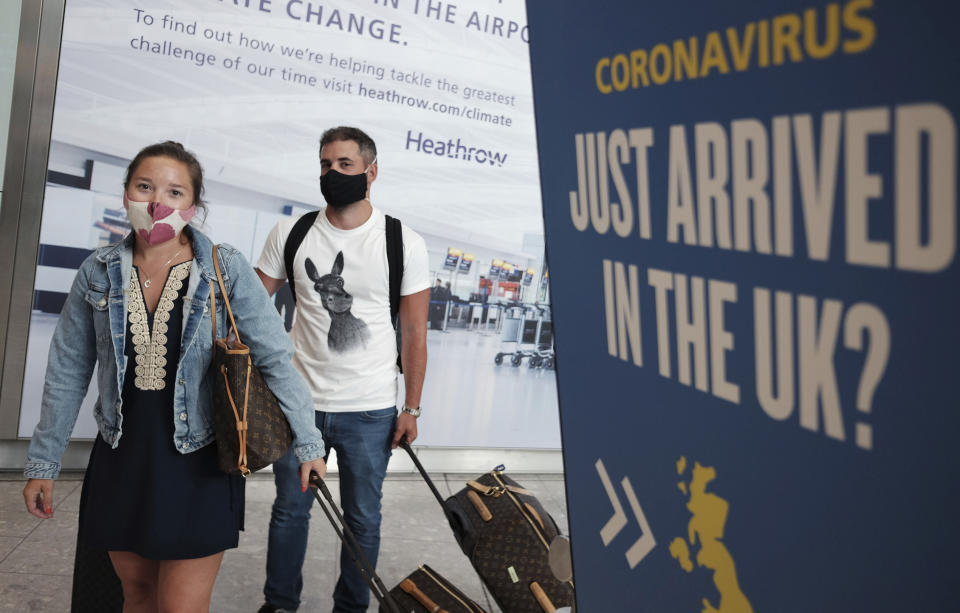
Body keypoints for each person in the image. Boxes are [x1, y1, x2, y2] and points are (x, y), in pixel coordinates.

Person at [21, 141, 327, 612]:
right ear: (126, 194)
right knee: (136, 595)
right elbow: (67, 370)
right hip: (122, 457)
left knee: (182, 605)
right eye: (145, 187)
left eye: (175, 192)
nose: (157, 202)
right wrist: (44, 462)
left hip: (200, 460)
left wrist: (308, 444)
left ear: (194, 206)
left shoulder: (225, 269)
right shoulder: (97, 272)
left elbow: (274, 358)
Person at [255, 126, 430, 613]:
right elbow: (248, 303)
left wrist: (411, 406)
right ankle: (280, 604)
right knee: (290, 512)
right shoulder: (292, 233)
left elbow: (415, 333)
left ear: (371, 172)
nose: (333, 174)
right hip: (299, 405)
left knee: (363, 519)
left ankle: (351, 608)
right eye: (326, 165)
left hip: (370, 410)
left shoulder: (402, 242)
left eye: (345, 165)